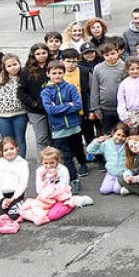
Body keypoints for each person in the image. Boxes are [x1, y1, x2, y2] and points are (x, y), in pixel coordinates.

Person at [42, 61, 86, 192]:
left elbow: (78, 105)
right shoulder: (46, 92)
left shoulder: (71, 88)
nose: (57, 75)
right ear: (48, 74)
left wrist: (60, 107)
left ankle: (83, 164)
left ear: (64, 73)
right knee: (66, 156)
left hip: (74, 126)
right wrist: (69, 105)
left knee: (78, 150)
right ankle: (73, 179)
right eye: (54, 73)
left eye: (60, 72)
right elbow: (50, 110)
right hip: (59, 130)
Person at [0, 55, 29, 157]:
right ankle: (9, 161)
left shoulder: (23, 78)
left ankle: (21, 162)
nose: (13, 67)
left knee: (20, 139)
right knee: (7, 140)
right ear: (4, 67)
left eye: (15, 64)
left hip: (20, 114)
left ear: (19, 64)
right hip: (2, 116)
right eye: (9, 66)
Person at [90, 43, 127, 136]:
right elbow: (94, 89)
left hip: (122, 107)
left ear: (118, 52)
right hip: (105, 108)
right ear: (103, 56)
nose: (110, 57)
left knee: (123, 132)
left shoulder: (125, 66)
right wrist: (95, 108)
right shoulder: (98, 69)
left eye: (113, 53)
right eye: (107, 55)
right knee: (108, 133)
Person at [0, 137, 29, 222]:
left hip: (16, 195)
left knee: (13, 216)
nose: (9, 151)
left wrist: (13, 198)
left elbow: (23, 184)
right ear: (1, 152)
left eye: (11, 148)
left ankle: (20, 204)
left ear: (17, 149)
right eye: (6, 150)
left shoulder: (23, 163)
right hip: (3, 196)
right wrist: (2, 199)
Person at [86, 123, 129, 195]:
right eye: (118, 134)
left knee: (117, 189)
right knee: (104, 190)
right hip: (111, 172)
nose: (120, 138)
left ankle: (125, 185)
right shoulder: (107, 144)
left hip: (122, 173)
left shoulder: (127, 145)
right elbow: (90, 150)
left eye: (123, 136)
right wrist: (98, 141)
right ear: (113, 133)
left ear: (126, 137)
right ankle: (115, 182)